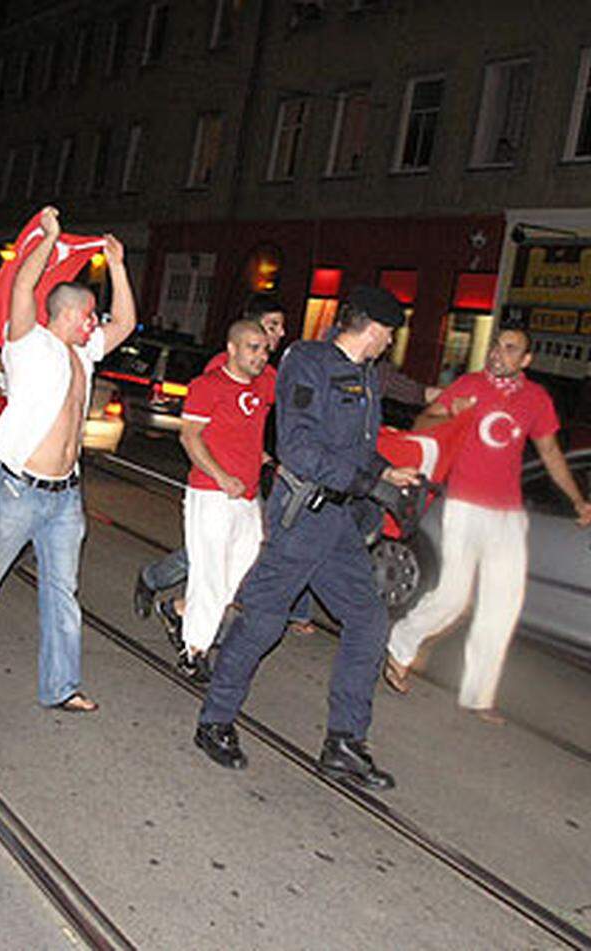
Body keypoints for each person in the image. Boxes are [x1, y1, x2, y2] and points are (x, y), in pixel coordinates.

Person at [194, 286, 418, 790]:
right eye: (389, 333)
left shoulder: (365, 375)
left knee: (368, 620)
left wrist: (388, 474)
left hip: (338, 522)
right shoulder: (309, 362)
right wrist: (369, 484)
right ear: (374, 328)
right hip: (304, 517)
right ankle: (215, 720)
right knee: (265, 621)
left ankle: (343, 744)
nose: (389, 342)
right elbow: (299, 449)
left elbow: (359, 450)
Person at [0, 206, 136, 712]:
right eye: (89, 314)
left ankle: (61, 686)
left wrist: (117, 265)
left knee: (63, 593)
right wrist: (46, 239)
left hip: (65, 495)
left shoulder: (85, 352)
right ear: (66, 313)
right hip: (18, 489)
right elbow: (24, 290)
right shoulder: (28, 344)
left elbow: (128, 323)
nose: (95, 322)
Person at [384, 328, 591, 723]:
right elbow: (422, 425)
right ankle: (400, 646)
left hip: (508, 515)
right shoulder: (469, 384)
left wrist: (578, 500)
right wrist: (450, 411)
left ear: (526, 361)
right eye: (497, 345)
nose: (498, 353)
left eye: (510, 348)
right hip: (464, 506)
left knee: (503, 603)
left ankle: (479, 693)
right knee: (452, 597)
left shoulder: (536, 399)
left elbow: (550, 452)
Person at [177, 320, 274, 682]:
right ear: (231, 349)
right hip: (211, 494)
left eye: (264, 349)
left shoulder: (264, 383)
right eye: (252, 348)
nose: (260, 356)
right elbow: (190, 437)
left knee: (240, 569)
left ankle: (184, 613)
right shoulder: (208, 386)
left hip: (247, 498)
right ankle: (194, 650)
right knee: (210, 574)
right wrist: (220, 476)